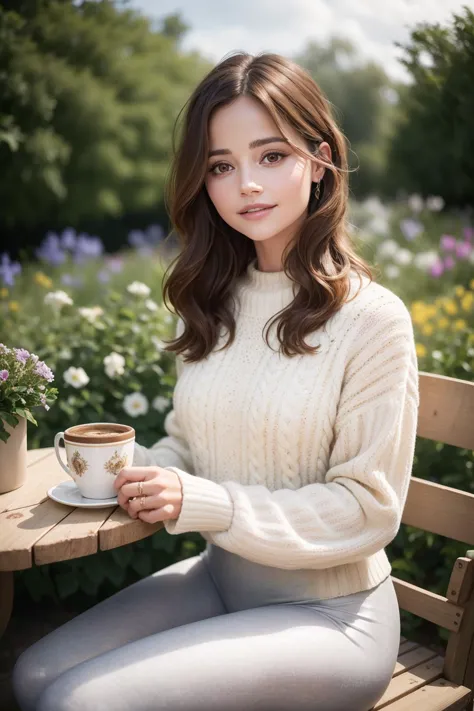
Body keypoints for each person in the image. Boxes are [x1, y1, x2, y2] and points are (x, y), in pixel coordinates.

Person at [12, 51, 419, 711]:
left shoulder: (374, 319)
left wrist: (206, 502)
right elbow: (187, 451)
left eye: (271, 156)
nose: (246, 185)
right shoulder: (216, 301)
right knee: (32, 678)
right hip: (219, 577)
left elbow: (367, 509)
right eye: (221, 166)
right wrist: (119, 467)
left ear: (318, 161)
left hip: (333, 616)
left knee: (76, 702)